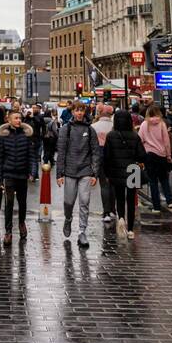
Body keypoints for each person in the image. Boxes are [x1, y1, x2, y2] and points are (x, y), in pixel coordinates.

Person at [56, 100, 100, 248]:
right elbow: (61, 152)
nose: (80, 113)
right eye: (77, 110)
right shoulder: (65, 130)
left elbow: (95, 152)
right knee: (69, 202)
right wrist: (59, 174)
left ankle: (82, 231)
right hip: (69, 171)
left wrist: (95, 173)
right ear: (73, 112)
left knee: (84, 201)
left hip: (85, 171)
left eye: (82, 110)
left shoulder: (91, 130)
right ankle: (68, 219)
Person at [103, 110, 145, 238]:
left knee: (120, 197)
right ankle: (131, 230)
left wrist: (107, 173)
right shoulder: (135, 136)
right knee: (131, 199)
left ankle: (121, 217)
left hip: (117, 169)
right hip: (133, 169)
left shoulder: (110, 136)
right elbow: (142, 156)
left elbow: (106, 156)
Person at [0, 110, 35, 246]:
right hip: (9, 174)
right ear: (9, 120)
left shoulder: (26, 136)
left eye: (20, 118)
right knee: (9, 203)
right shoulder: (3, 137)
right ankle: (8, 231)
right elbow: (0, 159)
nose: (19, 120)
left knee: (22, 203)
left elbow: (32, 156)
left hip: (22, 174)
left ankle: (21, 223)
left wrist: (32, 172)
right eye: (16, 118)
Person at [139, 105, 172, 213]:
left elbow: (140, 140)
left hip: (149, 155)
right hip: (161, 155)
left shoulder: (144, 124)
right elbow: (166, 142)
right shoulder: (162, 124)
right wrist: (168, 156)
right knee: (164, 179)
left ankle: (156, 206)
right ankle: (170, 201)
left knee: (152, 181)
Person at [92, 104, 115, 225]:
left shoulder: (93, 127)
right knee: (112, 184)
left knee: (104, 185)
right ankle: (113, 210)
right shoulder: (114, 127)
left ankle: (106, 212)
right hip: (113, 157)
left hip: (100, 156)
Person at [28, 103, 44, 181]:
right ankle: (34, 174)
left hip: (36, 140)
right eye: (33, 108)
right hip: (28, 139)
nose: (34, 109)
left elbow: (40, 124)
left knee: (34, 158)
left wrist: (33, 117)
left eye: (35, 108)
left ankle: (33, 175)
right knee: (30, 158)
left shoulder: (39, 116)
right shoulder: (28, 116)